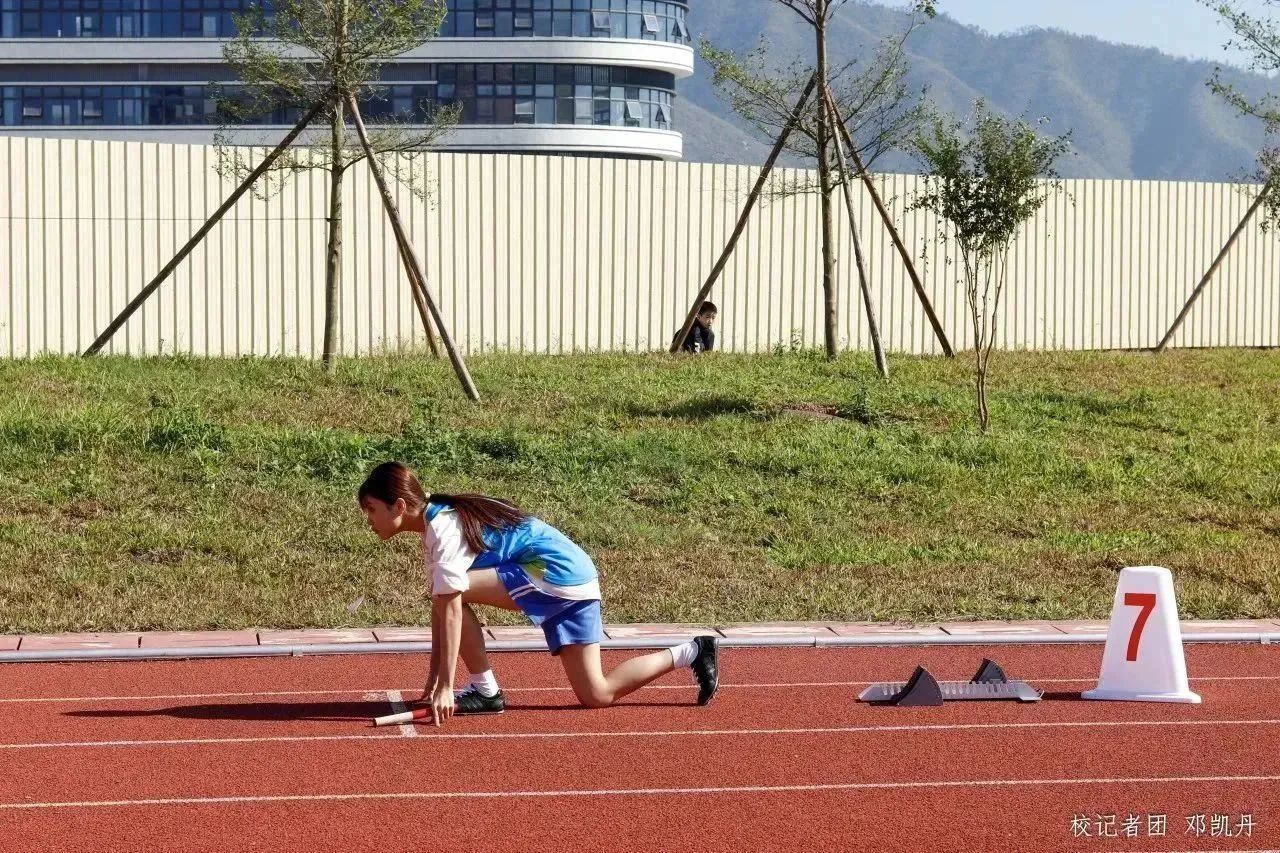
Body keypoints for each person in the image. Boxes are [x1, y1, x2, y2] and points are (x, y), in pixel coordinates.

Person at [357, 461, 719, 726]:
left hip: (557, 574)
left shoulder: (443, 528)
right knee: (597, 694)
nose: (368, 520)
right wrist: (436, 676)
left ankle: (486, 691)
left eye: (371, 510)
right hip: (574, 577)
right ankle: (692, 651)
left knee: (451, 592)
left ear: (399, 506)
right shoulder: (434, 525)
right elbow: (443, 606)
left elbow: (449, 607)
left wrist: (447, 686)